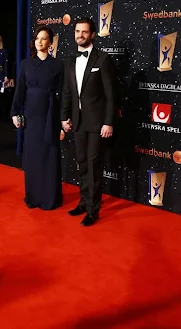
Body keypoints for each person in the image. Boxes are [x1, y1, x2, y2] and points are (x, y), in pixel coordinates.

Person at [61, 17, 117, 226]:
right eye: (77, 31)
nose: (80, 35)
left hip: (97, 123)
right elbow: (68, 92)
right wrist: (64, 117)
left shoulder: (102, 59)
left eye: (84, 32)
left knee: (94, 164)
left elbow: (111, 95)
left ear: (92, 34)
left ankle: (93, 210)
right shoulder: (69, 60)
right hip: (77, 121)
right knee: (83, 163)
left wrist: (108, 122)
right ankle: (84, 202)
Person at [10, 26, 64, 210]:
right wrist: (15, 113)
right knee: (33, 156)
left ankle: (50, 198)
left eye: (44, 39)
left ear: (50, 42)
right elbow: (20, 91)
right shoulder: (26, 63)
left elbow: (64, 93)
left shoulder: (58, 64)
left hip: (50, 114)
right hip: (31, 115)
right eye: (37, 38)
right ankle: (33, 196)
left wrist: (64, 119)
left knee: (49, 155)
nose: (39, 42)